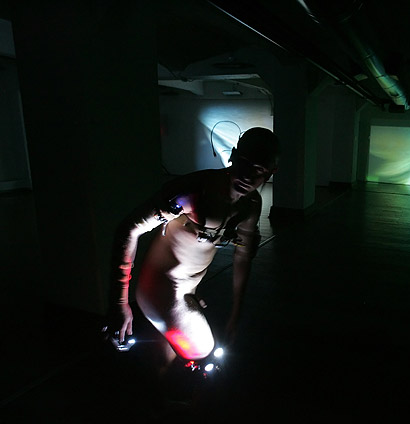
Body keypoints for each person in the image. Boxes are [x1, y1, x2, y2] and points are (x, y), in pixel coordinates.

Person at [107, 127, 280, 366]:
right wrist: (118, 302)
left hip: (188, 289)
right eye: (244, 162)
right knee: (202, 353)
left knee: (172, 356)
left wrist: (236, 313)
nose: (248, 176)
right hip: (162, 289)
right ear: (233, 155)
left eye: (259, 170)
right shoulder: (195, 190)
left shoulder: (250, 205)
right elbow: (130, 228)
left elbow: (243, 256)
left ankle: (163, 385)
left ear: (270, 173)